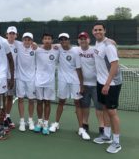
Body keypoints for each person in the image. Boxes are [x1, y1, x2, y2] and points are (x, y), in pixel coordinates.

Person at [49, 33, 90, 140]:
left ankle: (81, 128)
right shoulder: (58, 49)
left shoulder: (75, 51)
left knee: (77, 103)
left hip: (75, 81)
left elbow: (79, 69)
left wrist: (81, 84)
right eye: (61, 39)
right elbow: (49, 45)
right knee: (61, 101)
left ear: (69, 40)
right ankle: (56, 123)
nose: (63, 41)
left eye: (65, 39)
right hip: (62, 80)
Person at [92, 22, 122, 153]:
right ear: (93, 32)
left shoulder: (108, 46)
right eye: (95, 30)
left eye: (100, 30)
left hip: (111, 84)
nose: (97, 32)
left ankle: (116, 142)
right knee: (104, 107)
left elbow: (115, 65)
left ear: (104, 31)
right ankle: (106, 136)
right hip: (101, 82)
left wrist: (107, 84)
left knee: (112, 112)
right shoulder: (98, 44)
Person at [77, 32, 104, 137]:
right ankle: (85, 125)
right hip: (83, 85)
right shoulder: (76, 50)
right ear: (78, 41)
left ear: (89, 40)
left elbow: (109, 45)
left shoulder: (95, 50)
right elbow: (61, 46)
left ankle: (102, 128)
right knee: (85, 106)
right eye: (81, 39)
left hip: (97, 85)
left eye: (85, 38)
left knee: (99, 107)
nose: (83, 40)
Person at [34, 33, 59, 135]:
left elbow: (65, 46)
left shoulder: (56, 50)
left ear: (52, 40)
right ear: (42, 40)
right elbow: (27, 45)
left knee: (47, 102)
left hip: (50, 82)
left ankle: (46, 123)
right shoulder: (37, 50)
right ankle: (39, 122)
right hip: (38, 80)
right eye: (45, 39)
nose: (47, 40)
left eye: (49, 39)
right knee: (39, 102)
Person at [16, 32, 36, 132]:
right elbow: (7, 40)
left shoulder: (35, 48)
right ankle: (22, 121)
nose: (27, 41)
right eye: (25, 39)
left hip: (31, 79)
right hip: (20, 78)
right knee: (20, 99)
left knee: (31, 100)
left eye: (29, 39)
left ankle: (30, 120)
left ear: (32, 41)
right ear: (22, 40)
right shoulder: (18, 45)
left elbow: (50, 46)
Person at [3, 26, 19, 129]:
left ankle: (7, 117)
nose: (11, 35)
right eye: (10, 33)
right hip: (2, 75)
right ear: (6, 34)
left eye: (13, 33)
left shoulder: (19, 44)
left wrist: (34, 44)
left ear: (16, 35)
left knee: (10, 97)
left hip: (13, 76)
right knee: (2, 97)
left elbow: (32, 44)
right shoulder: (2, 43)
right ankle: (2, 117)